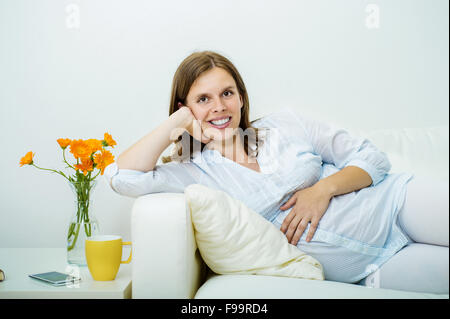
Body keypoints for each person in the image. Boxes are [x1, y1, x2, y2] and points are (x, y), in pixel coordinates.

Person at [104, 50, 449, 294]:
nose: (220, 106)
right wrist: (177, 123)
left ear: (241, 98)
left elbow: (372, 158)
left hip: (398, 204)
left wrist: (322, 189)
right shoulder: (191, 174)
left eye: (227, 93)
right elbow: (123, 177)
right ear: (186, 108)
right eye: (203, 99)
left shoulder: (286, 124)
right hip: (368, 270)